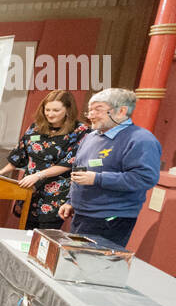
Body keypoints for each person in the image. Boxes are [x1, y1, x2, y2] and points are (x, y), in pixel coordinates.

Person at [60, 88, 162, 248]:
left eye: (98, 109)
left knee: (93, 267)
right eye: (90, 110)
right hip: (82, 214)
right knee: (75, 262)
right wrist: (70, 201)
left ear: (121, 111)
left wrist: (97, 178)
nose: (91, 115)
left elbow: (144, 178)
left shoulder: (141, 140)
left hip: (110, 218)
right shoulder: (91, 136)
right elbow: (79, 170)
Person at [0, 90, 88, 230]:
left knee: (43, 239)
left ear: (68, 109)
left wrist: (39, 175)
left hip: (55, 194)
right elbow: (20, 152)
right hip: (30, 189)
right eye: (47, 109)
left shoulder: (80, 131)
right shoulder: (35, 127)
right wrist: (3, 171)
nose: (50, 114)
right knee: (25, 232)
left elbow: (69, 162)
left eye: (56, 110)